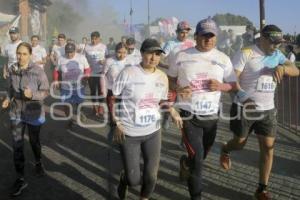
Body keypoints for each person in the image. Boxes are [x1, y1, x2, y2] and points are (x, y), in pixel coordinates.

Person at [220, 25, 300, 200]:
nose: (276, 46)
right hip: (244, 108)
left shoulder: (277, 55)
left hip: (268, 110)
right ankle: (226, 149)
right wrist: (244, 98)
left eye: (279, 43)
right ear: (262, 39)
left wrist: (284, 68)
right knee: (239, 143)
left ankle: (262, 189)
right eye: (273, 43)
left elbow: (296, 70)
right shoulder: (246, 53)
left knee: (268, 149)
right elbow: (232, 80)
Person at [168, 17, 238, 200]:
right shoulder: (182, 55)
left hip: (211, 118)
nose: (208, 39)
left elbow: (233, 85)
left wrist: (221, 87)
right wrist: (177, 89)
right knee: (198, 161)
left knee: (200, 157)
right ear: (196, 36)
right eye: (204, 35)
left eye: (212, 36)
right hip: (188, 116)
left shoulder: (223, 58)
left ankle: (185, 163)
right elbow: (170, 80)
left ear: (216, 37)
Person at [113, 38, 182, 200]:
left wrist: (172, 110)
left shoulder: (162, 77)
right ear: (142, 53)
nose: (154, 58)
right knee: (134, 179)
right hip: (129, 133)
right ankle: (125, 179)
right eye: (150, 53)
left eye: (157, 54)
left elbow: (161, 100)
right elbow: (113, 97)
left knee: (151, 176)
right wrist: (117, 123)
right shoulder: (129, 72)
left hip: (153, 131)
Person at [1, 42, 49, 197]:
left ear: (30, 55)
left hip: (34, 113)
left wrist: (33, 95)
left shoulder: (38, 71)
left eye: (24, 54)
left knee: (34, 141)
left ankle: (38, 161)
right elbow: (10, 88)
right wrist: (7, 98)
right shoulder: (12, 69)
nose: (20, 57)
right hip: (16, 113)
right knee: (17, 146)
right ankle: (20, 179)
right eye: (18, 53)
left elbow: (46, 91)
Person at [161, 21, 195, 130]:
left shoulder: (192, 43)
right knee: (170, 101)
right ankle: (166, 117)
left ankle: (185, 135)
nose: (184, 35)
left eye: (186, 32)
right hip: (172, 77)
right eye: (182, 32)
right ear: (177, 32)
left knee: (187, 106)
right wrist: (168, 66)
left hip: (186, 78)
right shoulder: (170, 43)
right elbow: (160, 58)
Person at [53, 42, 91, 129]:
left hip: (79, 86)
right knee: (66, 105)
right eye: (67, 52)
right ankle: (70, 120)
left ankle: (79, 112)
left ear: (75, 51)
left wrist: (86, 77)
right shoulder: (61, 58)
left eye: (71, 52)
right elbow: (56, 70)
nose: (69, 54)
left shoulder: (81, 57)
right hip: (66, 87)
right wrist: (55, 80)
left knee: (79, 103)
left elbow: (87, 69)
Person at [84, 31, 108, 117]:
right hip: (91, 73)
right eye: (92, 39)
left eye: (95, 39)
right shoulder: (87, 47)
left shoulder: (104, 47)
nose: (93, 41)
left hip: (102, 72)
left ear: (99, 38)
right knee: (93, 91)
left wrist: (104, 61)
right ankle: (95, 107)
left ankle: (101, 107)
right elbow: (84, 59)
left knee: (101, 91)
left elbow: (108, 58)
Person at [105, 42, 127, 126]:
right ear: (115, 52)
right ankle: (112, 121)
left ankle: (123, 124)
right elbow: (103, 75)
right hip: (111, 88)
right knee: (112, 108)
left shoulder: (130, 61)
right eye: (119, 52)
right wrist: (104, 89)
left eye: (124, 52)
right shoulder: (109, 61)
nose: (122, 55)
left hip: (125, 89)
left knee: (123, 108)